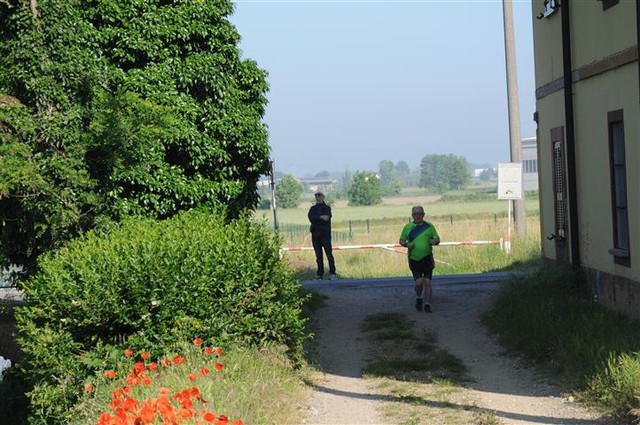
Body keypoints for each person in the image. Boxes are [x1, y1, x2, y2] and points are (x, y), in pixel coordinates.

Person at [399, 205, 440, 312]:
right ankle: (419, 298)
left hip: (427, 258)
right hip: (414, 259)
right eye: (415, 214)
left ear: (423, 215)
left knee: (428, 283)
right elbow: (401, 241)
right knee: (419, 283)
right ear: (412, 215)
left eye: (419, 214)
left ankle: (427, 304)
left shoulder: (429, 226)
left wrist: (434, 241)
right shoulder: (408, 227)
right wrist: (407, 244)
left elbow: (437, 239)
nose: (417, 216)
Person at [308, 191, 337, 280]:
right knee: (318, 256)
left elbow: (327, 218)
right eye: (316, 196)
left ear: (323, 197)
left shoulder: (327, 208)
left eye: (319, 196)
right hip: (315, 235)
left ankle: (332, 273)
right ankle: (319, 274)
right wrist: (320, 217)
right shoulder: (312, 209)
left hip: (325, 235)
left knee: (329, 254)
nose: (318, 198)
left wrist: (317, 218)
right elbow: (311, 218)